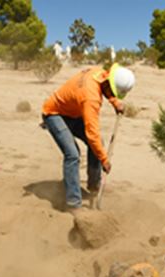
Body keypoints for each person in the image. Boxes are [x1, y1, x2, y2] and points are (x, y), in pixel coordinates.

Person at [41, 63, 135, 212]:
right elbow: (92, 134)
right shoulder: (91, 98)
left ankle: (93, 185)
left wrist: (115, 102)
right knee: (73, 154)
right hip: (54, 114)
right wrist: (104, 160)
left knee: (98, 145)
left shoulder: (99, 73)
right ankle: (73, 204)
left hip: (73, 112)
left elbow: (106, 87)